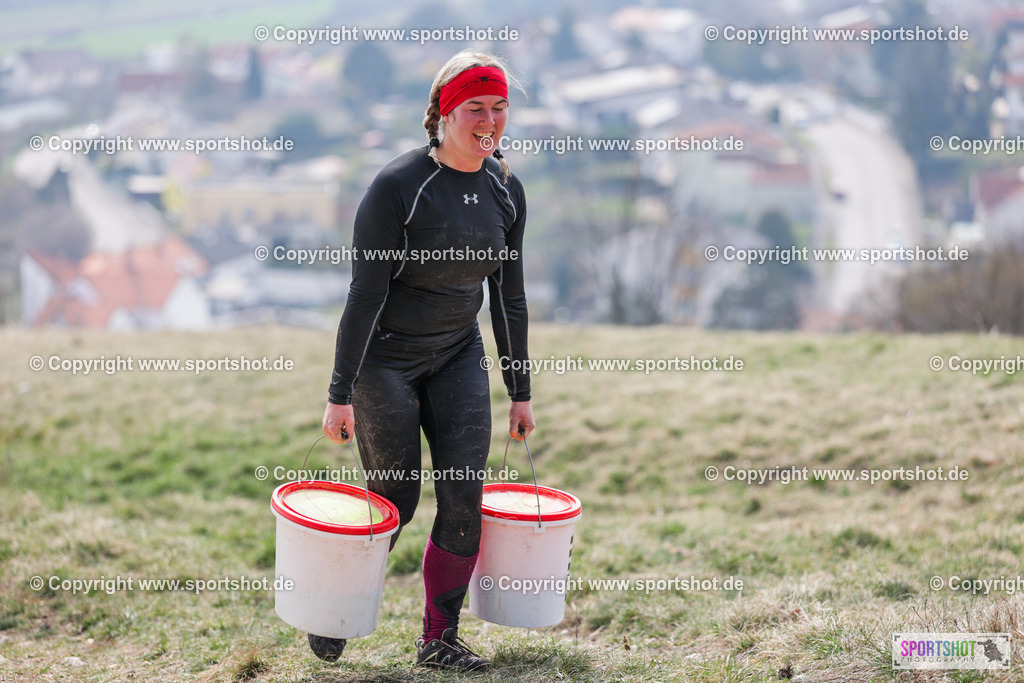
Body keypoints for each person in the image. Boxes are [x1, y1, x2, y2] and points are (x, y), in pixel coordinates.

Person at [315, 50, 535, 672]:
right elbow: (365, 294)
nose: (489, 121)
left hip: (457, 354)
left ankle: (438, 641)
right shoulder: (397, 187)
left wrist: (520, 391)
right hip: (383, 362)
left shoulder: (505, 189)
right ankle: (333, 607)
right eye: (476, 108)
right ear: (445, 112)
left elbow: (508, 296)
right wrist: (339, 392)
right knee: (396, 498)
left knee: (465, 496)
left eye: (499, 108)